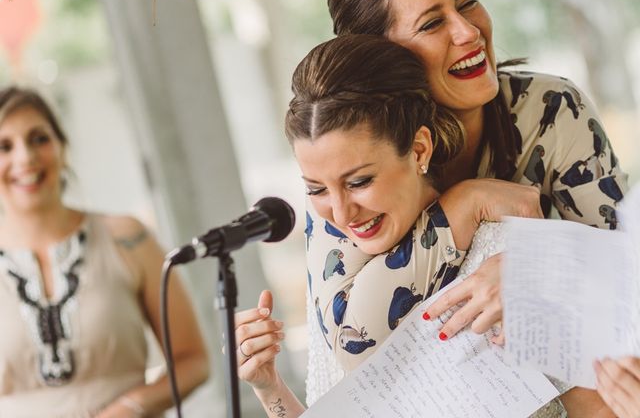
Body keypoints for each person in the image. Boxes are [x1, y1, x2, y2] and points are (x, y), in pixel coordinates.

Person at [236, 34, 613, 417]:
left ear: (419, 150)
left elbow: (603, 410)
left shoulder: (504, 257)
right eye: (317, 189)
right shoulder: (342, 289)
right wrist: (270, 389)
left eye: (359, 182)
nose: (342, 213)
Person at [0, 87, 209, 417]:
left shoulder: (127, 237)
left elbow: (193, 360)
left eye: (39, 138)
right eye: (4, 146)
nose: (25, 157)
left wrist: (129, 408)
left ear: (62, 146)